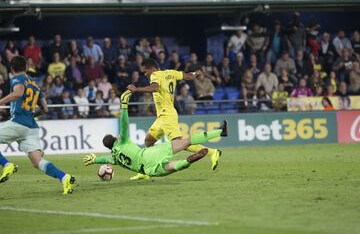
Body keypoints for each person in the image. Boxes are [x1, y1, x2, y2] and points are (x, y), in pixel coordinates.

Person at [83, 90, 228, 178]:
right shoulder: (122, 141)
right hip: (148, 154)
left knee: (173, 167)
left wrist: (96, 160)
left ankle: (187, 161)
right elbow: (124, 125)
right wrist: (124, 107)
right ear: (115, 138)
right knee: (185, 142)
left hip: (148, 170)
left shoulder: (115, 157)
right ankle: (219, 131)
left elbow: (107, 160)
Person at [127, 58, 222, 180]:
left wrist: (136, 89)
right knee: (148, 141)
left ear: (151, 68)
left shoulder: (155, 75)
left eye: (145, 71)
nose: (145, 74)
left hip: (167, 115)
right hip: (162, 116)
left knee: (179, 143)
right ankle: (146, 170)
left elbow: (155, 88)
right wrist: (195, 73)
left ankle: (211, 152)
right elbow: (188, 76)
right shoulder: (171, 73)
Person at [0, 56, 75, 194]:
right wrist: (31, 115)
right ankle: (64, 177)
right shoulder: (35, 84)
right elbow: (45, 108)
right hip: (31, 128)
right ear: (27, 68)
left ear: (11, 69)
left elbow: (18, 93)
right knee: (37, 162)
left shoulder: (17, 79)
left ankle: (7, 165)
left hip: (18, 122)